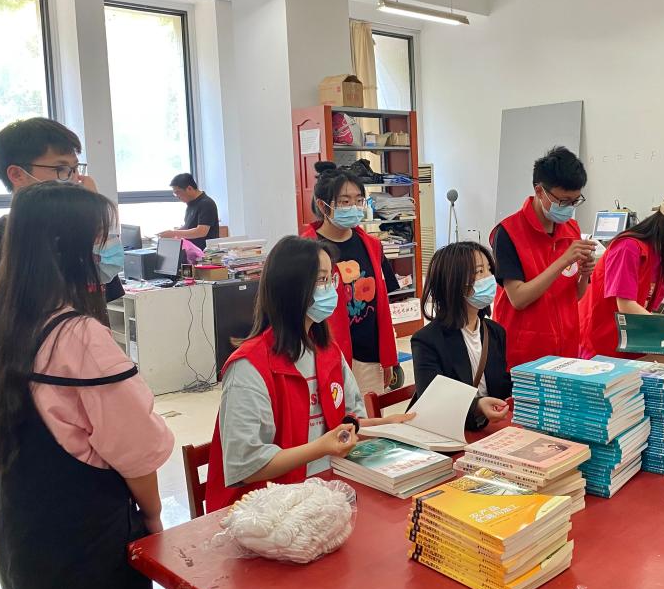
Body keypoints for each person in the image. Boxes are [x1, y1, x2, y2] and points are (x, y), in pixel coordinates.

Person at [0, 181, 173, 589]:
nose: (111, 250)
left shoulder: (5, 326)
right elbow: (136, 453)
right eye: (102, 239)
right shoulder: (79, 337)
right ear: (68, 248)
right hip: (87, 545)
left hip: (23, 535)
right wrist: (153, 515)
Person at [205, 236, 413, 511]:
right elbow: (246, 464)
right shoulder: (248, 367)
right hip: (266, 509)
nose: (332, 289)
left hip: (327, 491)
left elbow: (348, 422)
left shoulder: (327, 350)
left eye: (332, 279)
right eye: (322, 280)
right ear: (292, 288)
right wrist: (321, 447)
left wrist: (388, 425)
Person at [0, 117, 125, 305]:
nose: (74, 179)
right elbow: (28, 305)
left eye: (75, 168)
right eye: (61, 168)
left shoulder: (81, 227)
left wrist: (92, 220)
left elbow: (103, 291)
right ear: (17, 174)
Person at [490, 146, 596, 369]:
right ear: (539, 191)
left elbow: (574, 296)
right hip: (524, 354)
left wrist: (584, 275)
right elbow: (518, 299)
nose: (569, 208)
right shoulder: (508, 233)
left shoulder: (571, 229)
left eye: (575, 201)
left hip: (566, 351)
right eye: (563, 201)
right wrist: (563, 261)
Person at [301, 162, 400, 396]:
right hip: (324, 352)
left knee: (369, 415)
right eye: (345, 202)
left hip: (368, 354)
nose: (353, 207)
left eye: (358, 200)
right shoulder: (306, 248)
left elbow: (382, 305)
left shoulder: (371, 245)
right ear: (323, 205)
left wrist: (388, 357)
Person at [578, 194, 664, 359]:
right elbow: (626, 305)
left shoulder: (660, 256)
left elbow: (645, 306)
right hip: (601, 339)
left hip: (631, 335)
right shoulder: (628, 247)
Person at [411, 242, 511, 431]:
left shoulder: (495, 332)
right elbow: (433, 400)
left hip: (488, 430)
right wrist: (477, 405)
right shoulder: (427, 340)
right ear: (454, 282)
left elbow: (501, 386)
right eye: (480, 271)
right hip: (450, 433)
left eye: (489, 270)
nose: (490, 278)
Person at [159, 173, 220, 250]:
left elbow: (201, 231)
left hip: (206, 253)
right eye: (175, 193)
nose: (177, 196)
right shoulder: (191, 203)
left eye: (178, 192)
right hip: (193, 250)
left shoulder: (206, 203)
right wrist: (170, 233)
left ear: (189, 188)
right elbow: (188, 226)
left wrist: (173, 233)